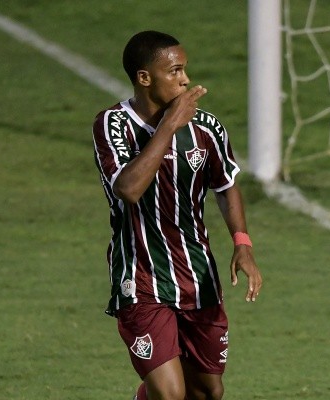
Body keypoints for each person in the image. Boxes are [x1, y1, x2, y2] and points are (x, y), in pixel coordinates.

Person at [92, 30, 262, 400]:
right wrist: (169, 124)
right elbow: (129, 188)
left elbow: (225, 184)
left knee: (207, 392)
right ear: (144, 78)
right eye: (175, 71)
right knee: (170, 394)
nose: (185, 79)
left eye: (184, 69)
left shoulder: (206, 127)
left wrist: (242, 243)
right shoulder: (113, 124)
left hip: (197, 276)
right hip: (140, 277)